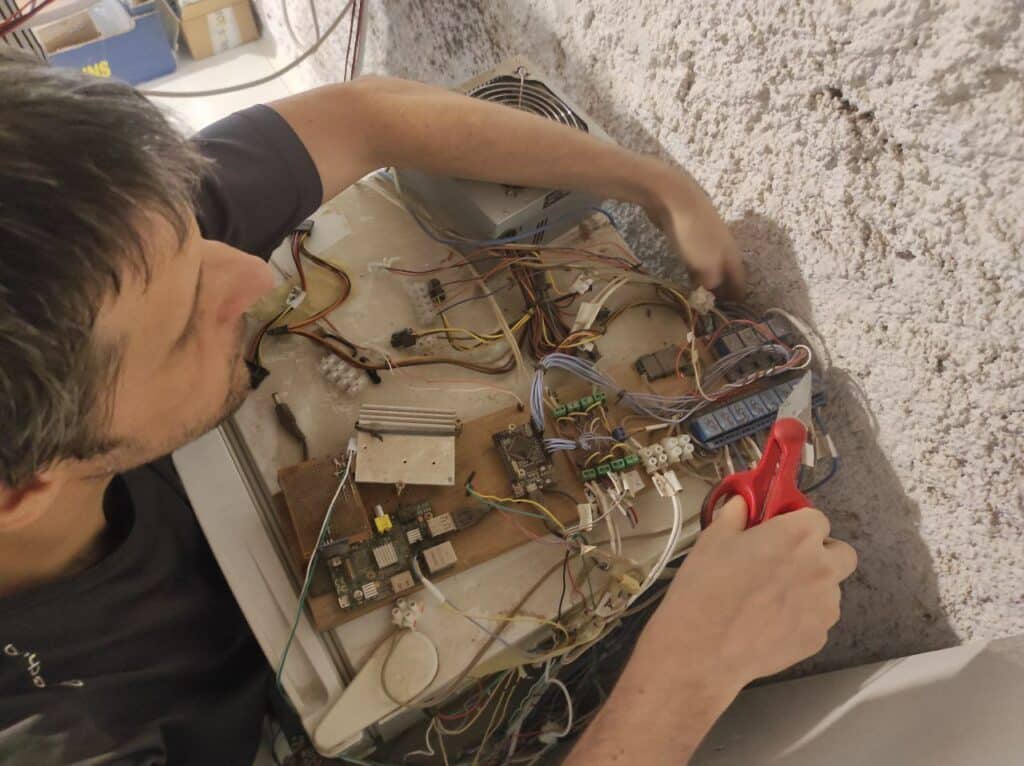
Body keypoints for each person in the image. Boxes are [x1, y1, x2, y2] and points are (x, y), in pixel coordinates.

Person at [0, 50, 855, 765]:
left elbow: (366, 116)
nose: (254, 276)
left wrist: (653, 185)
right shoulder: (67, 737)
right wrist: (688, 677)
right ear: (22, 490)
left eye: (200, 239)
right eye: (189, 319)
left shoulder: (73, 244)